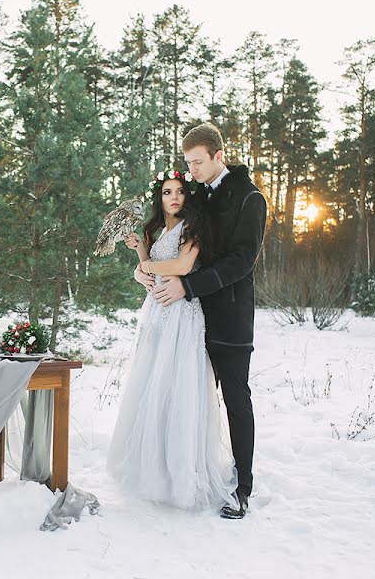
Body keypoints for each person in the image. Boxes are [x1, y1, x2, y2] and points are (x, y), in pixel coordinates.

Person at [142, 123, 267, 519]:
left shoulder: (250, 199)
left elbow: (241, 262)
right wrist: (144, 266)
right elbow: (173, 237)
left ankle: (242, 486)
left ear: (218, 155)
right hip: (187, 320)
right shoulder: (195, 195)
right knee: (184, 395)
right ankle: (183, 472)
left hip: (227, 315)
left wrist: (188, 286)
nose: (191, 170)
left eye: (198, 162)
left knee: (234, 397)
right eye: (188, 163)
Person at [107, 170, 239, 512]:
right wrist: (140, 256)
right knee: (153, 384)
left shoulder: (192, 229)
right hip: (156, 312)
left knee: (177, 383)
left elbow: (181, 264)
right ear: (160, 198)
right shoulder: (157, 230)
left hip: (181, 311)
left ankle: (180, 472)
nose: (175, 197)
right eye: (167, 192)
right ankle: (155, 469)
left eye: (180, 191)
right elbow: (153, 273)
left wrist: (146, 265)